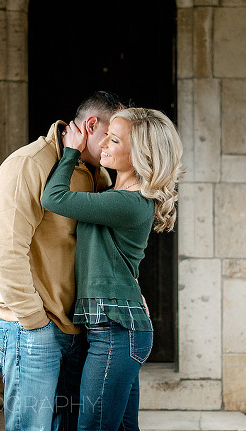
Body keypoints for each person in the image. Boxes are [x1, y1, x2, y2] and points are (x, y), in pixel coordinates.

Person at [0, 91, 126, 431]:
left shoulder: (98, 173)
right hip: (34, 328)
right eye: (115, 135)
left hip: (78, 327)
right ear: (92, 125)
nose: (119, 146)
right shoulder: (29, 165)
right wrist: (35, 321)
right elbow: (5, 252)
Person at [40, 107, 184, 431]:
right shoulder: (115, 196)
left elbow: (54, 197)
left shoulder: (128, 203)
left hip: (116, 334)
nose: (102, 142)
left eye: (113, 139)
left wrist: (71, 153)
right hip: (116, 328)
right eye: (105, 135)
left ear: (139, 156)